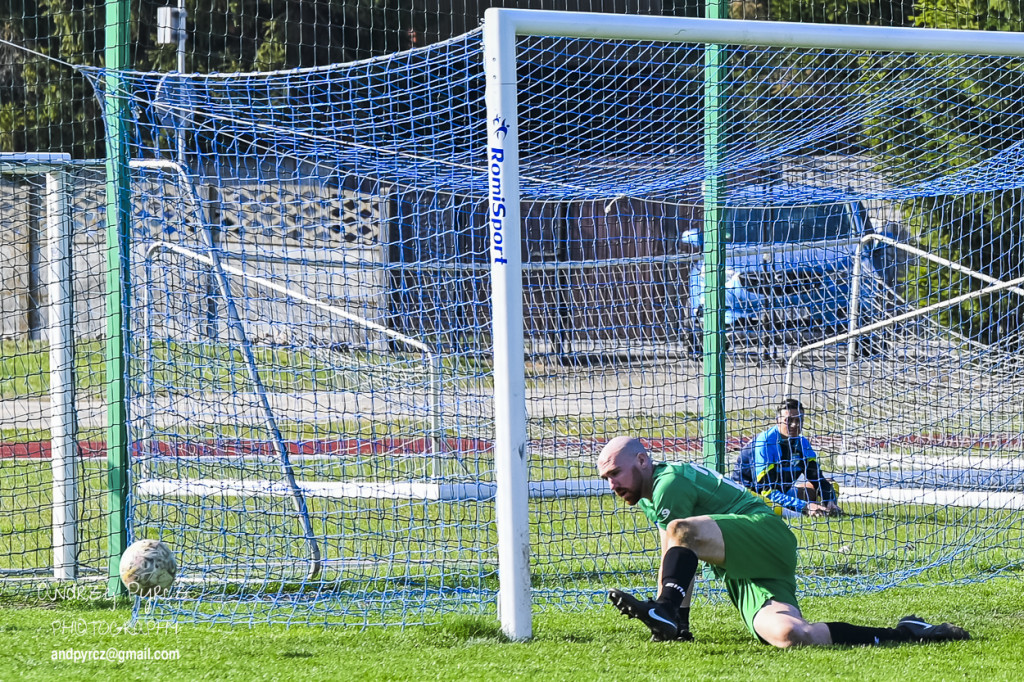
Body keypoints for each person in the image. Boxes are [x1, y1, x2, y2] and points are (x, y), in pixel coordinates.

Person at [596, 436, 970, 647]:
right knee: (792, 635)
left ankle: (666, 612)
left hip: (762, 532)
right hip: (743, 570)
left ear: (643, 460)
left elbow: (675, 542)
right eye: (606, 479)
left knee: (678, 531)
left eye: (616, 473)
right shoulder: (650, 496)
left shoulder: (668, 482)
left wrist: (673, 616)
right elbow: (677, 552)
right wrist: (678, 624)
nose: (612, 485)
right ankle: (907, 633)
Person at [733, 398, 842, 518]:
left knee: (831, 486)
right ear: (777, 421)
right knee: (773, 508)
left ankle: (820, 507)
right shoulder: (765, 443)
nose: (795, 425)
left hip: (781, 494)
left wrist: (830, 502)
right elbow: (767, 492)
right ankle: (802, 511)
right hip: (752, 497)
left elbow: (819, 480)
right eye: (789, 420)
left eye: (799, 420)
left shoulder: (802, 443)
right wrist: (805, 507)